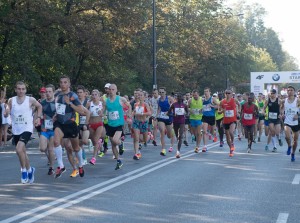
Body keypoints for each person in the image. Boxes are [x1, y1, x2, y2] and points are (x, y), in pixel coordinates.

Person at [8, 81, 42, 184]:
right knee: (22, 152)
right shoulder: (11, 100)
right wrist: (6, 113)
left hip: (27, 128)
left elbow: (39, 106)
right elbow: (8, 110)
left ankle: (23, 171)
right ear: (16, 89)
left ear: (25, 90)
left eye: (23, 89)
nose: (21, 91)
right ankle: (30, 169)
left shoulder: (30, 100)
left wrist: (38, 118)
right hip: (16, 129)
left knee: (19, 149)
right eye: (19, 89)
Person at [53, 76, 85, 178]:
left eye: (65, 82)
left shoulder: (73, 96)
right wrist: (55, 115)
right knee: (56, 142)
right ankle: (61, 166)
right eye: (61, 82)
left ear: (69, 84)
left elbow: (81, 111)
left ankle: (80, 165)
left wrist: (70, 103)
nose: (63, 84)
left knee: (76, 148)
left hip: (70, 124)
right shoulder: (57, 95)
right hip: (59, 123)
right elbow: (58, 108)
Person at [103, 84, 131, 170]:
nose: (111, 91)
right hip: (110, 124)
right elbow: (104, 110)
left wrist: (128, 115)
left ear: (116, 90)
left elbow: (129, 106)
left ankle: (121, 143)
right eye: (110, 89)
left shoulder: (121, 99)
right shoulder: (106, 101)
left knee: (116, 140)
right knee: (113, 144)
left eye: (112, 89)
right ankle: (118, 161)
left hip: (119, 124)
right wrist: (101, 114)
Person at [39, 84, 56, 175]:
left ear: (53, 92)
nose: (48, 93)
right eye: (47, 92)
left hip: (54, 129)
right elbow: (39, 114)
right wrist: (40, 117)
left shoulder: (57, 102)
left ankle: (51, 168)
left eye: (50, 91)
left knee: (50, 149)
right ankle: (52, 159)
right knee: (42, 148)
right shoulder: (42, 103)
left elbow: (62, 114)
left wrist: (56, 117)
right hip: (45, 128)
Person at [280, 86, 300, 162]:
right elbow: (282, 109)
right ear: (287, 92)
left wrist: (297, 115)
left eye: (291, 90)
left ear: (294, 92)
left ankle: (293, 153)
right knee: (287, 137)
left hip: (295, 122)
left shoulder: (297, 100)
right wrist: (282, 114)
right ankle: (289, 146)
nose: (290, 91)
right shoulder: (283, 101)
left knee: (295, 140)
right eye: (288, 90)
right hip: (287, 121)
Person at [219, 89, 240, 157]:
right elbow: (218, 111)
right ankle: (230, 149)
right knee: (227, 136)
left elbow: (239, 105)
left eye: (229, 93)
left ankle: (232, 143)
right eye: (226, 93)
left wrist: (238, 112)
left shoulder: (234, 100)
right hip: (225, 121)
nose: (227, 94)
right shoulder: (222, 102)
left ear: (231, 94)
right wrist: (222, 111)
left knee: (231, 132)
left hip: (233, 120)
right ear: (225, 94)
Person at [132, 91, 151, 160]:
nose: (139, 96)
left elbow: (149, 112)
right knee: (136, 139)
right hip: (136, 122)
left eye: (141, 95)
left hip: (143, 123)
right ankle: (137, 153)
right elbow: (134, 112)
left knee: (144, 140)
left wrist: (143, 114)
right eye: (138, 95)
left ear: (144, 97)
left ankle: (149, 136)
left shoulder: (145, 104)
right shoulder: (135, 104)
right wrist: (130, 116)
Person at [169, 93, 189, 158]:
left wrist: (186, 115)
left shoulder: (184, 105)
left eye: (181, 97)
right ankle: (179, 142)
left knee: (180, 135)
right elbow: (168, 113)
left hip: (182, 122)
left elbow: (187, 113)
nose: (180, 98)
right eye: (178, 97)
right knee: (177, 136)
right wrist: (173, 115)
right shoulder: (173, 105)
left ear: (182, 98)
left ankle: (178, 151)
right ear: (177, 98)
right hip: (175, 122)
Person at [156, 87, 175, 156]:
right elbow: (159, 109)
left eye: (162, 92)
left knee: (169, 136)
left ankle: (171, 143)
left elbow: (174, 106)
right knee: (162, 131)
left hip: (169, 117)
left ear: (165, 92)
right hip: (161, 117)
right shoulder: (159, 100)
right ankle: (163, 149)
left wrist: (169, 111)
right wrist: (156, 116)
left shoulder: (169, 98)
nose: (161, 94)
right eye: (160, 92)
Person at [202, 87, 219, 152]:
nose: (205, 93)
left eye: (207, 91)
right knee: (204, 131)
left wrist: (213, 106)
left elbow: (219, 106)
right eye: (205, 91)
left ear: (210, 92)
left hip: (211, 116)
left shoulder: (212, 99)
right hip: (205, 117)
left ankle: (214, 135)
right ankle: (205, 146)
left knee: (212, 131)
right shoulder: (203, 100)